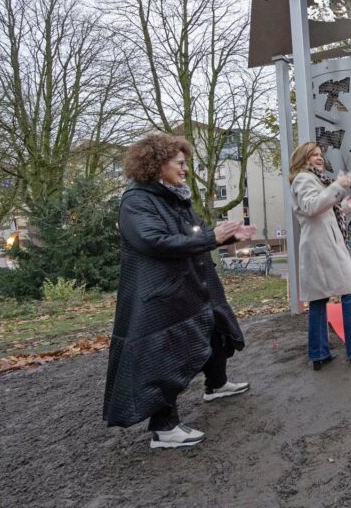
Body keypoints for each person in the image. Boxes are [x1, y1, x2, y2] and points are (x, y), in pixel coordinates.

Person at [103, 133, 255, 449]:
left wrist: (228, 237)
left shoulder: (173, 197)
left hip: (191, 284)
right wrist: (212, 237)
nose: (186, 169)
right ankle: (164, 428)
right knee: (165, 358)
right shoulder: (136, 201)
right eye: (180, 163)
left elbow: (192, 235)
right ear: (157, 164)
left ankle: (216, 384)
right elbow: (153, 241)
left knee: (216, 329)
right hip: (161, 295)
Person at [288, 142, 351, 369]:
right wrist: (338, 185)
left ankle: (319, 354)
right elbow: (311, 207)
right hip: (322, 246)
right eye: (313, 155)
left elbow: (321, 212)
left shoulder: (314, 179)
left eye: (320, 154)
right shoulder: (303, 179)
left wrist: (344, 207)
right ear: (303, 159)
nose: (319, 158)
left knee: (319, 299)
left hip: (320, 245)